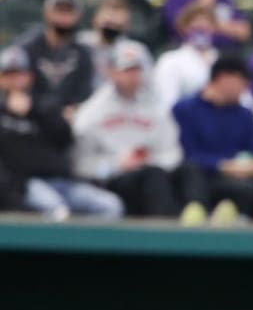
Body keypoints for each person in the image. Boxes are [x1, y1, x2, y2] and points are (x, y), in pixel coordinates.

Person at [0, 45, 121, 220]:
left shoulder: (46, 104)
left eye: (19, 74)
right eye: (9, 75)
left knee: (110, 206)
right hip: (26, 184)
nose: (15, 80)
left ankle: (88, 247)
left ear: (30, 76)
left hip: (62, 181)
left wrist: (33, 110)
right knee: (56, 210)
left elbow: (65, 138)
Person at [71, 41, 181, 218]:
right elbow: (81, 165)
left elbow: (172, 152)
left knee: (178, 173)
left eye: (137, 70)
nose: (133, 76)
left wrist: (150, 162)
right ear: (111, 72)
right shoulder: (92, 111)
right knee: (152, 179)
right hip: (112, 179)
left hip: (153, 172)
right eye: (127, 70)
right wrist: (116, 165)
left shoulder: (155, 107)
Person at [172, 55, 253, 222]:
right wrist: (226, 166)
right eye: (242, 81)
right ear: (224, 79)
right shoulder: (185, 109)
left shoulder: (245, 115)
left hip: (241, 177)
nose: (246, 87)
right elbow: (188, 154)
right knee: (191, 172)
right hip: (202, 176)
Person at [19, 0, 94, 117]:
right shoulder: (28, 49)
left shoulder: (83, 54)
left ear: (78, 15)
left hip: (68, 121)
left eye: (68, 11)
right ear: (47, 13)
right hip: (32, 117)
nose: (63, 17)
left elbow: (84, 94)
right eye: (59, 10)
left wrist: (75, 109)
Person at [78, 0, 151, 90]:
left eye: (117, 25)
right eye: (108, 24)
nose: (111, 28)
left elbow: (147, 85)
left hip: (120, 100)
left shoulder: (136, 51)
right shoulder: (81, 43)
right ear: (95, 19)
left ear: (127, 25)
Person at [153, 3, 218, 109]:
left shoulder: (223, 61)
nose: (202, 28)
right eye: (196, 26)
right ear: (184, 29)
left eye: (206, 25)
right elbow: (166, 103)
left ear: (214, 28)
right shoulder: (170, 61)